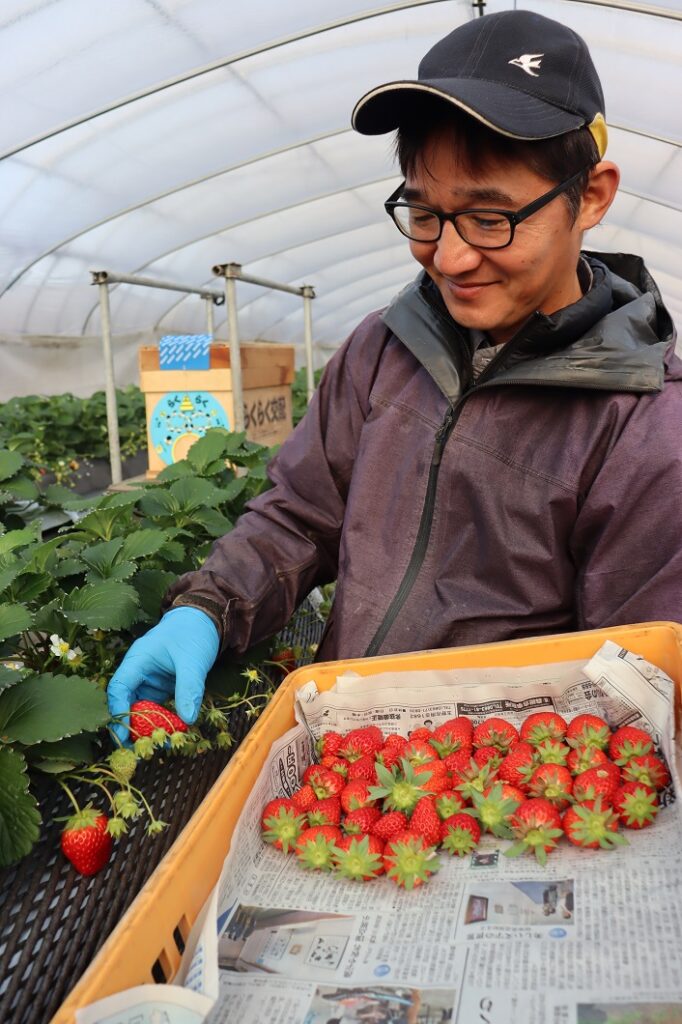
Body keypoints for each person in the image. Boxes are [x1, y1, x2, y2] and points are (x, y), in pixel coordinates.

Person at [108, 9, 682, 740]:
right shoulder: (383, 348)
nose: (449, 258)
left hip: (499, 798)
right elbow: (299, 514)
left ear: (592, 195)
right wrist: (207, 609)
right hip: (344, 760)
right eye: (423, 211)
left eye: (489, 218)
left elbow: (635, 681)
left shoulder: (644, 425)